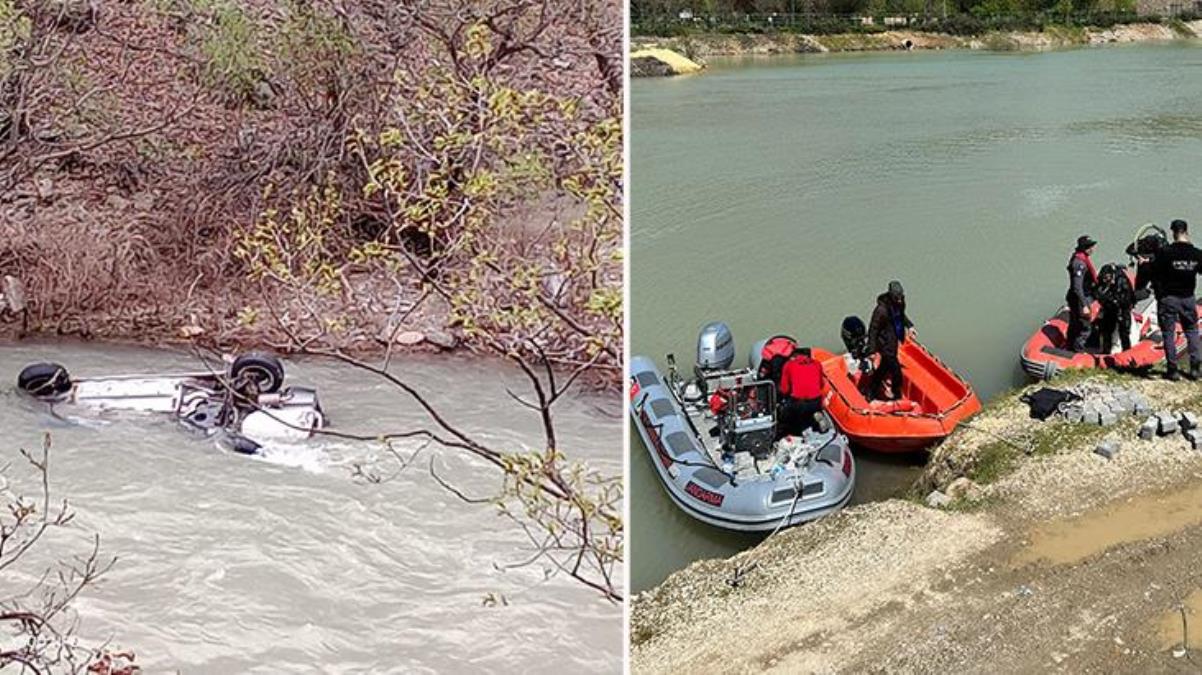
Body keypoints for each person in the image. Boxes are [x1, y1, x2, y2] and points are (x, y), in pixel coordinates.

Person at [1145, 219, 1202, 380]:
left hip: (1168, 298)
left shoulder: (1165, 252)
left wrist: (1146, 263)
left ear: (1173, 232)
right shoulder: (1197, 254)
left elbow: (1154, 272)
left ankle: (1172, 370)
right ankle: (1195, 369)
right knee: (1192, 332)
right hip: (1188, 298)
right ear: (1186, 231)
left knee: (1168, 334)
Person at [868, 280, 913, 401]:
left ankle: (871, 391)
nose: (899, 300)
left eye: (900, 297)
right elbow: (873, 329)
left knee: (883, 368)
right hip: (885, 343)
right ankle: (896, 395)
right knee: (896, 372)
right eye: (897, 298)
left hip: (894, 339)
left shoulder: (900, 302)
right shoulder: (881, 310)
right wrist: (872, 350)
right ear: (891, 296)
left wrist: (909, 326)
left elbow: (902, 315)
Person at [778, 346, 823, 435]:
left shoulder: (789, 365)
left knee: (785, 420)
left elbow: (784, 389)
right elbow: (821, 384)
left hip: (798, 403)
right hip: (816, 402)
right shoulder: (817, 364)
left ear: (794, 356)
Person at [1065, 235, 1098, 353]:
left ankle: (1069, 346)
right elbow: (1077, 287)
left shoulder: (1079, 257)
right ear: (1085, 248)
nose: (1093, 249)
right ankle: (1078, 351)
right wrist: (1084, 305)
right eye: (1091, 246)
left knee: (1074, 323)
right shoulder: (1080, 264)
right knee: (1085, 326)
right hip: (1081, 298)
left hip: (1076, 297)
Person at [1094, 262, 1135, 355]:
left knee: (1124, 331)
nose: (1105, 280)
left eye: (1107, 278)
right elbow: (1097, 292)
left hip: (1122, 308)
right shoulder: (1101, 281)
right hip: (1109, 307)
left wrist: (1115, 301)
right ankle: (1105, 351)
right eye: (1104, 278)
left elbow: (1127, 299)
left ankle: (1127, 352)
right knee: (1106, 330)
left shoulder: (1122, 281)